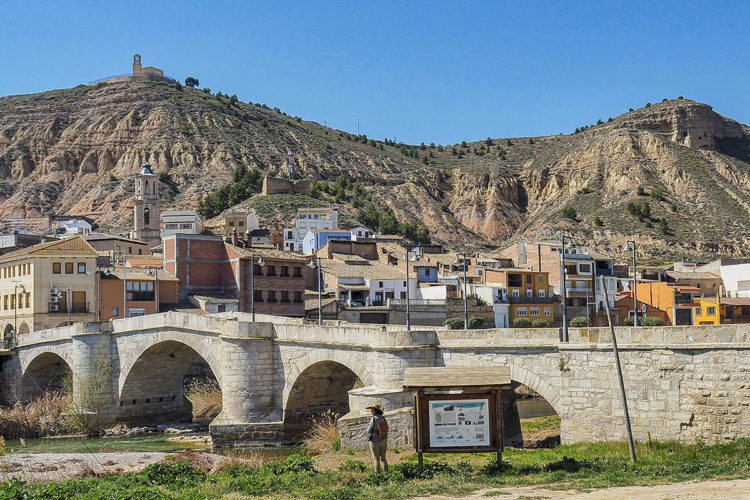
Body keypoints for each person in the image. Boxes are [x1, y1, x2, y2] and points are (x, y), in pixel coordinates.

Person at [366, 403, 388, 473]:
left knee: (376, 459)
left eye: (372, 409)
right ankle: (386, 473)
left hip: (375, 441)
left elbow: (368, 430)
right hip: (383, 439)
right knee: (383, 458)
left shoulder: (373, 418)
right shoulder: (382, 417)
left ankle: (378, 475)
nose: (371, 411)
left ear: (375, 410)